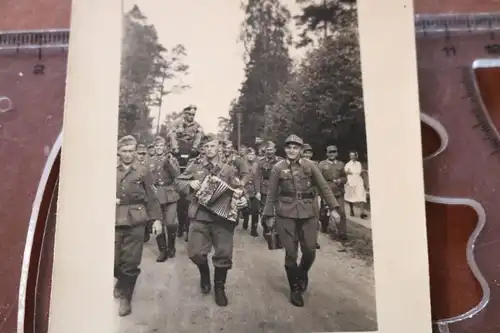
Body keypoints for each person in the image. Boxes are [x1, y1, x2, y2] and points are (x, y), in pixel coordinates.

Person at [262, 134, 341, 307]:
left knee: (310, 250)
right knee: (291, 253)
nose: (292, 150)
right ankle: (295, 289)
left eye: (295, 148)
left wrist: (334, 208)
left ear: (301, 150)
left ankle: (303, 272)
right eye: (289, 147)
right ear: (285, 149)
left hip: (308, 213)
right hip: (285, 214)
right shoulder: (278, 168)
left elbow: (324, 187)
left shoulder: (310, 166)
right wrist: (268, 215)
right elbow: (271, 193)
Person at [175, 133, 248, 307]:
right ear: (202, 149)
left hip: (222, 219)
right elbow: (178, 182)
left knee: (223, 254)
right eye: (206, 147)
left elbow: (238, 188)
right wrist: (189, 184)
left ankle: (219, 288)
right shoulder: (195, 166)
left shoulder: (228, 169)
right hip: (199, 215)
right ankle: (204, 273)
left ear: (219, 148)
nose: (209, 149)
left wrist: (244, 199)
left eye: (213, 146)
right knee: (195, 253)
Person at [115, 135, 162, 316]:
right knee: (113, 260)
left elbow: (151, 197)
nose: (127, 154)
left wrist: (156, 219)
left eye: (131, 151)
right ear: (119, 151)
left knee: (131, 261)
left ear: (135, 152)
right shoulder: (111, 169)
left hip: (136, 219)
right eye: (124, 151)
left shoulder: (143, 171)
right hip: (115, 218)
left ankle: (126, 297)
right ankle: (121, 280)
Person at [150, 135, 181, 262]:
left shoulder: (171, 159)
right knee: (158, 223)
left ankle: (171, 246)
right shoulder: (149, 161)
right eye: (156, 146)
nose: (159, 148)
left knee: (171, 223)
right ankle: (162, 250)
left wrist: (169, 164)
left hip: (170, 193)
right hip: (156, 194)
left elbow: (177, 175)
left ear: (165, 147)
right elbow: (146, 177)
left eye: (161, 145)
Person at [318, 145, 348, 240]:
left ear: (337, 153)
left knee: (341, 212)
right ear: (327, 153)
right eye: (330, 152)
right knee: (325, 212)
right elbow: (319, 179)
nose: (332, 154)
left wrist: (341, 180)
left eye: (334, 152)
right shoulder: (322, 165)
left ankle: (342, 232)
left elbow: (345, 177)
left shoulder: (341, 164)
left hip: (338, 192)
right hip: (327, 192)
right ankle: (324, 226)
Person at [256, 141, 283, 234]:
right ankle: (266, 228)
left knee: (279, 211)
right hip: (265, 190)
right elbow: (258, 177)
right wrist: (258, 191)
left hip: (278, 190)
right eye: (268, 150)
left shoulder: (281, 161)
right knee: (264, 211)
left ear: (275, 150)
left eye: (271, 150)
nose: (269, 152)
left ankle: (277, 231)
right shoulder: (261, 162)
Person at [301, 144, 321, 249]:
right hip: (301, 195)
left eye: (309, 153)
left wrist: (316, 190)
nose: (307, 155)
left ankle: (314, 240)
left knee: (315, 217)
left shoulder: (315, 164)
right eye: (305, 152)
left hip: (312, 195)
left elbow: (319, 180)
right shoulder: (297, 164)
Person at [242, 147, 260, 237]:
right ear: (246, 155)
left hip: (254, 190)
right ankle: (245, 219)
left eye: (252, 154)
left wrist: (258, 191)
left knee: (255, 211)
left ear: (255, 155)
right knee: (246, 209)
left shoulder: (258, 165)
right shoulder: (243, 164)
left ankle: (254, 229)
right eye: (249, 154)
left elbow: (258, 179)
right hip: (245, 190)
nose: (251, 156)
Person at [344, 151, 368, 219]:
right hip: (351, 181)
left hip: (359, 181)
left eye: (354, 155)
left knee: (362, 195)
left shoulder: (359, 163)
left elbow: (360, 172)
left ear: (356, 156)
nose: (352, 157)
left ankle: (362, 212)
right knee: (351, 197)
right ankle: (351, 209)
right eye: (351, 156)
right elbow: (347, 173)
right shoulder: (348, 164)